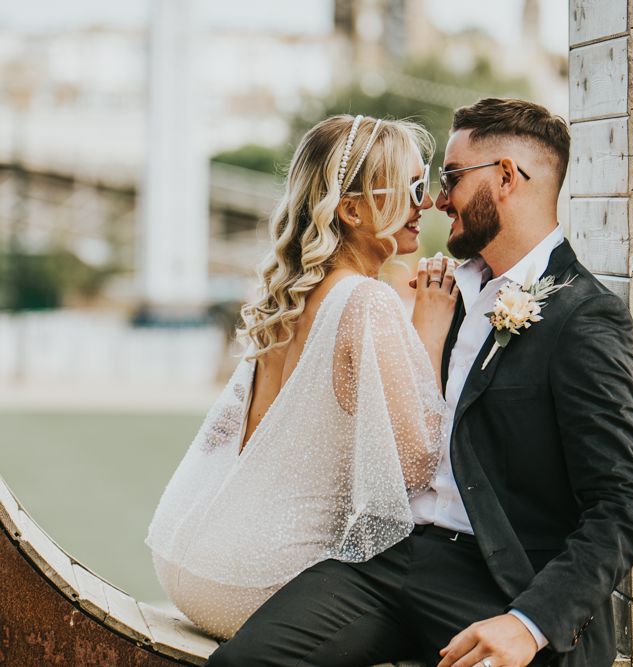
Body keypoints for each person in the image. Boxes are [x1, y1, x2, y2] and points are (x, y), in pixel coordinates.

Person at [205, 99, 633, 667]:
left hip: (501, 583)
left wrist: (529, 623)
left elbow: (621, 505)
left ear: (507, 179)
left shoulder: (583, 317)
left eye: (451, 179)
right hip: (388, 557)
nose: (439, 201)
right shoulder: (435, 295)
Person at [145, 114, 459, 641]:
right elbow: (415, 460)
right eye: (411, 188)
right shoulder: (366, 301)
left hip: (183, 551)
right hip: (255, 585)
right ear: (353, 209)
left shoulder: (288, 295)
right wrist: (429, 326)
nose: (425, 204)